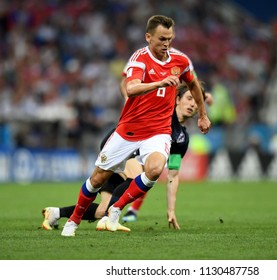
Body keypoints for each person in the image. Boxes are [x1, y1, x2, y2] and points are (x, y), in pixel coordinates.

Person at [60, 15, 211, 236]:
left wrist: (203, 115)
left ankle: (116, 211)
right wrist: (160, 82)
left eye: (169, 38)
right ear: (148, 37)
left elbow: (194, 85)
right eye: (161, 39)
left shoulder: (180, 61)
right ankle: (72, 221)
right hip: (129, 130)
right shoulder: (139, 58)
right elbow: (131, 88)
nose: (166, 44)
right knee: (97, 179)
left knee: (154, 169)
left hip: (158, 131)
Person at [42, 83, 211, 231]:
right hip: (120, 145)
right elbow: (143, 88)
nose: (193, 104)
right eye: (189, 98)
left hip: (133, 159)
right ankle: (110, 219)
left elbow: (173, 175)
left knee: (102, 209)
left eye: (197, 102)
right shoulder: (162, 111)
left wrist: (171, 210)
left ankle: (55, 213)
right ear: (176, 99)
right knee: (137, 175)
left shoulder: (182, 139)